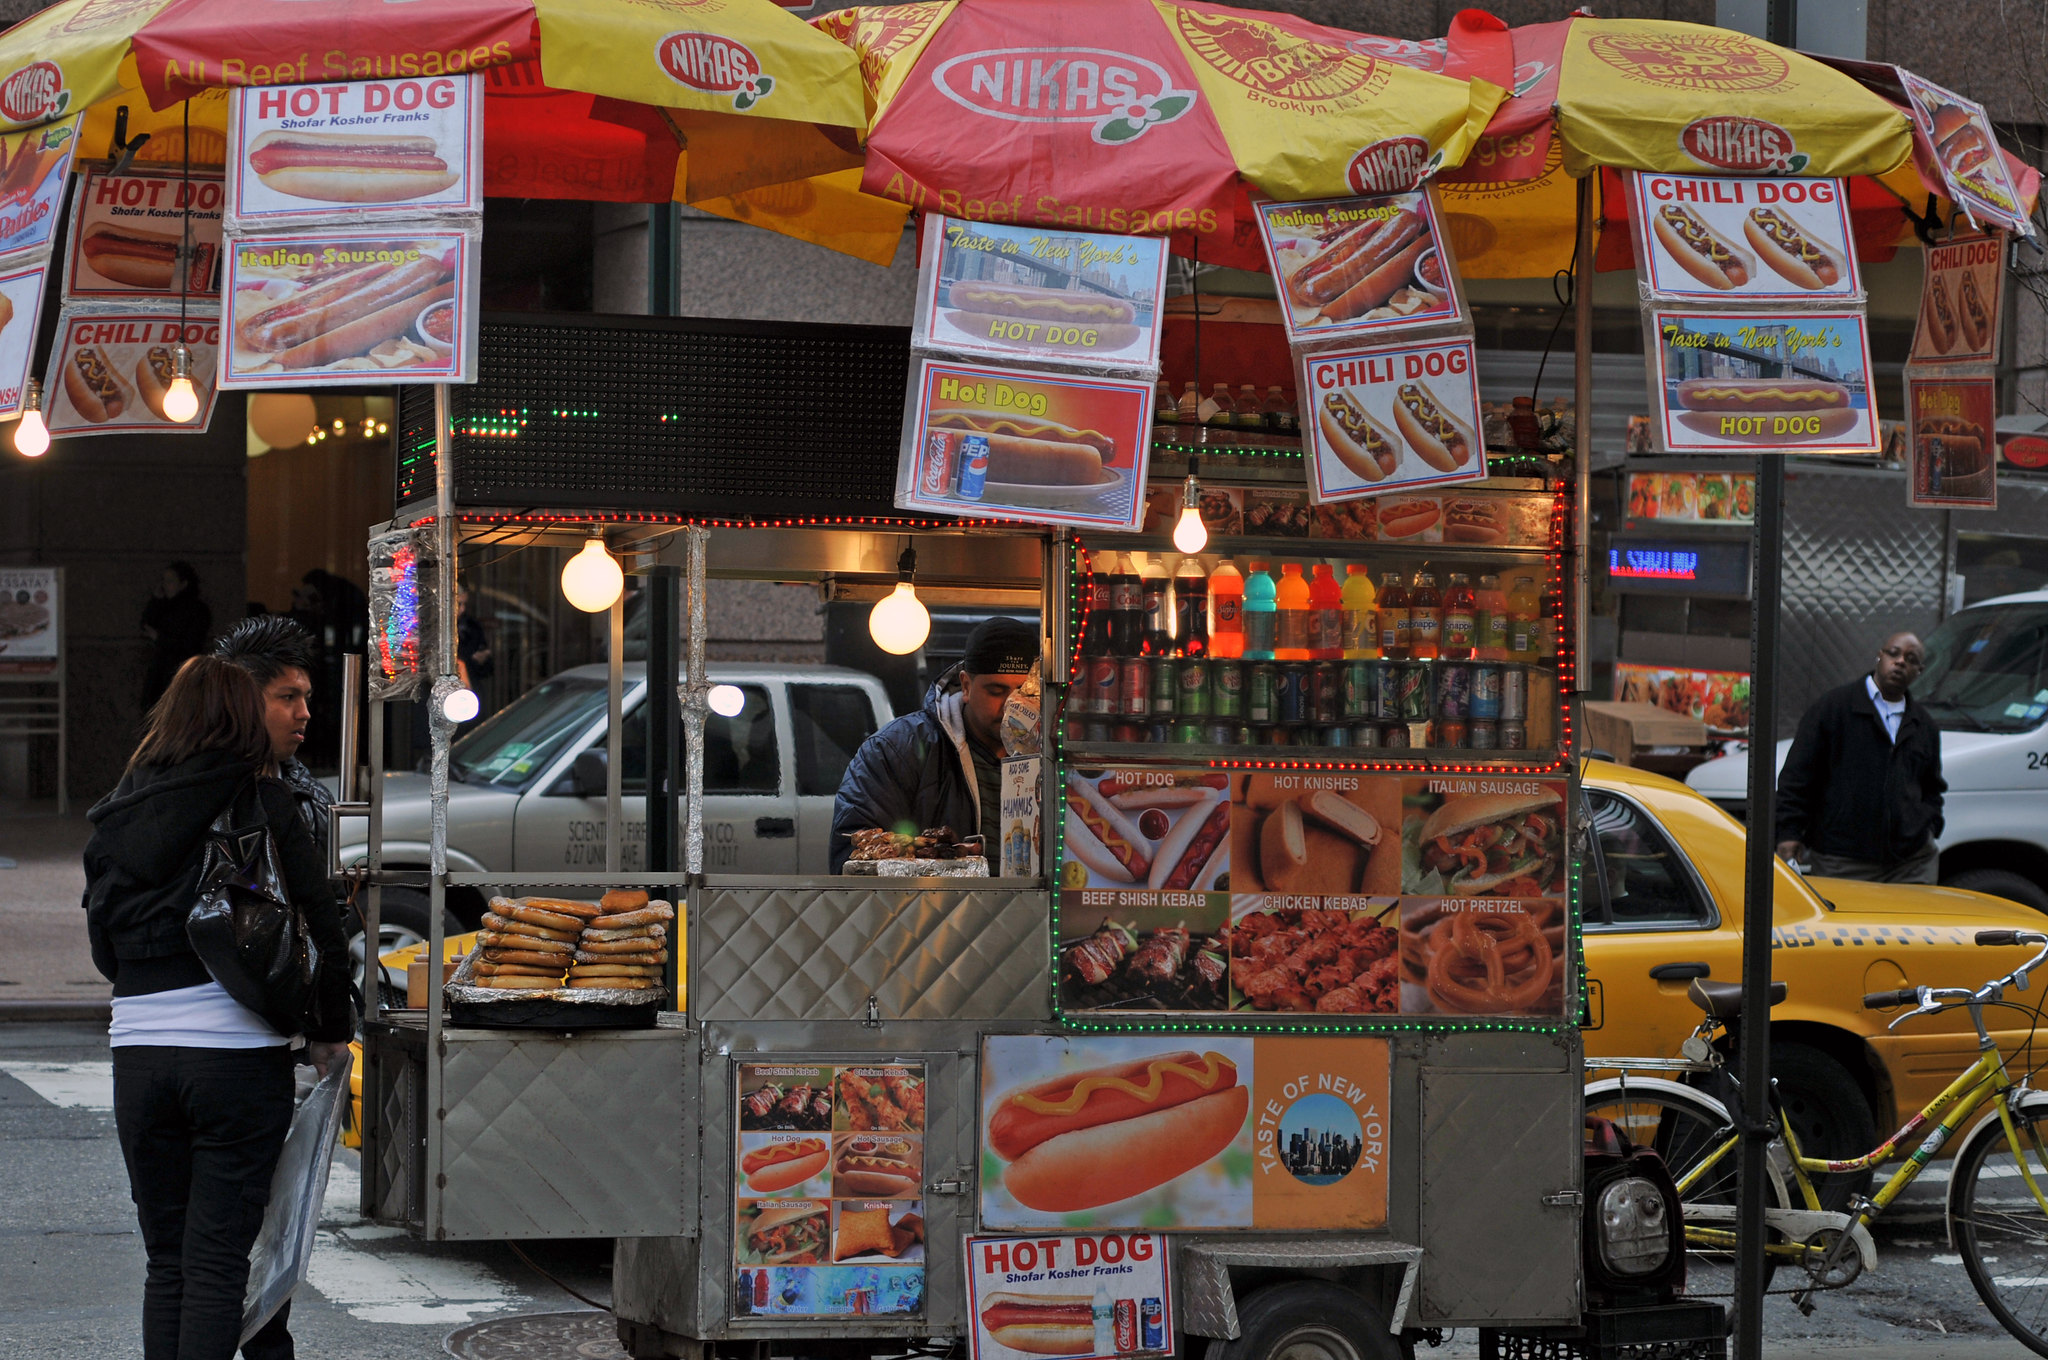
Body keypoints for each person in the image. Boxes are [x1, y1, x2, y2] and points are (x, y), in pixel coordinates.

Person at [82, 655, 352, 1360]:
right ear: (240, 718)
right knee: (217, 1264)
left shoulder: (120, 811)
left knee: (165, 1260)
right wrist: (329, 1033)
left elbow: (103, 943)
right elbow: (322, 925)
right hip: (235, 1054)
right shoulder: (262, 804)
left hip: (138, 1050)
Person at [831, 617, 1040, 871]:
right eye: (996, 691)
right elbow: (853, 858)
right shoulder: (895, 750)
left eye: (1024, 693)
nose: (1011, 706)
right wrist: (944, 860)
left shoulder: (1057, 754)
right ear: (966, 685)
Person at [1775, 631, 1946, 883]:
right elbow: (1797, 776)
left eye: (1911, 659)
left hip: (1911, 862)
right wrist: (1788, 832)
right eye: (1894, 653)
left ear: (1919, 671)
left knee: (1910, 923)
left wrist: (1928, 826)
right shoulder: (1833, 708)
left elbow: (1932, 787)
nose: (1900, 662)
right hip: (1842, 860)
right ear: (1879, 656)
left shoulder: (1924, 725)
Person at [214, 616, 336, 890]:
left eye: (306, 697)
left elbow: (330, 900)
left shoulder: (312, 798)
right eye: (288, 697)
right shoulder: (195, 794)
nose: (304, 713)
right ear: (240, 700)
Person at [140, 562, 211, 710]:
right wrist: (156, 601)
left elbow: (190, 643)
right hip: (162, 673)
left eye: (170, 581)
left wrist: (160, 639)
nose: (165, 585)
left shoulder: (196, 610)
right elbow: (146, 624)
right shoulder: (165, 606)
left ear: (183, 584)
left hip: (182, 673)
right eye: (164, 581)